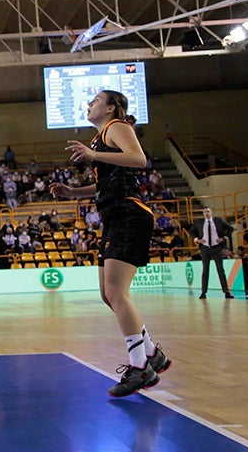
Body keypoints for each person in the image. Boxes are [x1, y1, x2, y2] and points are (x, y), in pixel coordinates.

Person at [49, 90, 171, 398]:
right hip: (115, 213)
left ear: (111, 107)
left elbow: (139, 159)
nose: (89, 103)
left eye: (95, 100)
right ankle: (151, 351)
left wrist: (93, 156)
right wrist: (73, 192)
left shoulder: (117, 126)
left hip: (129, 212)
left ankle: (141, 366)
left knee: (117, 292)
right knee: (107, 293)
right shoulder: (100, 138)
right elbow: (106, 182)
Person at [190, 207, 234, 299]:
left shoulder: (218, 220)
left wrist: (224, 238)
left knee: (220, 270)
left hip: (216, 247)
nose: (206, 213)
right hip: (205, 248)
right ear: (203, 214)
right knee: (205, 270)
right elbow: (191, 231)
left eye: (208, 211)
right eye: (204, 212)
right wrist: (197, 240)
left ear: (211, 212)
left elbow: (230, 228)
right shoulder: (199, 222)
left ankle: (226, 291)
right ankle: (203, 292)